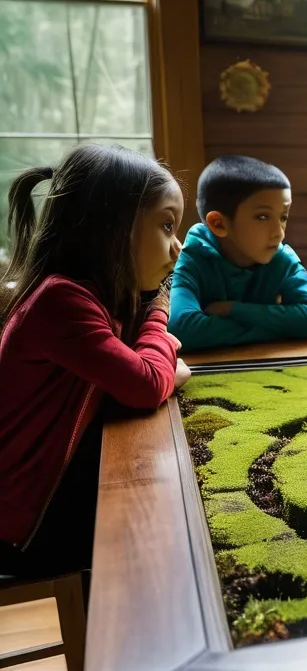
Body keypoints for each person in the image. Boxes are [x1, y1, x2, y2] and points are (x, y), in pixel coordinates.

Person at [0, 144, 190, 575]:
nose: (177, 246)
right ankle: (118, 632)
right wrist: (160, 314)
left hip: (41, 495)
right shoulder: (61, 301)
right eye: (166, 225)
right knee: (158, 522)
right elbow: (145, 385)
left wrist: (157, 357)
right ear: (113, 226)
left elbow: (143, 376)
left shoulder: (97, 299)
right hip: (22, 523)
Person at [168, 155, 307, 351]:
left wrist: (233, 310)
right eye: (262, 217)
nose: (279, 233)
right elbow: (181, 329)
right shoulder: (193, 257)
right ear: (218, 224)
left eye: (283, 217)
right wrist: (280, 328)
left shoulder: (281, 258)